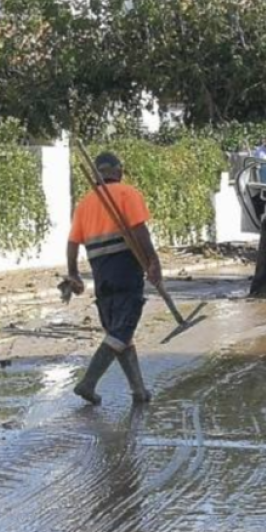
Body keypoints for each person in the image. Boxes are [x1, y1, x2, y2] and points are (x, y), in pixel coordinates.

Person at [66, 151, 161, 405]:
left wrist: (73, 273)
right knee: (121, 330)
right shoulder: (127, 193)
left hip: (101, 276)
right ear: (119, 171)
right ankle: (88, 382)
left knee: (120, 334)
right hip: (126, 270)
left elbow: (73, 242)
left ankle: (138, 390)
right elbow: (139, 231)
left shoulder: (85, 203)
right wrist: (153, 261)